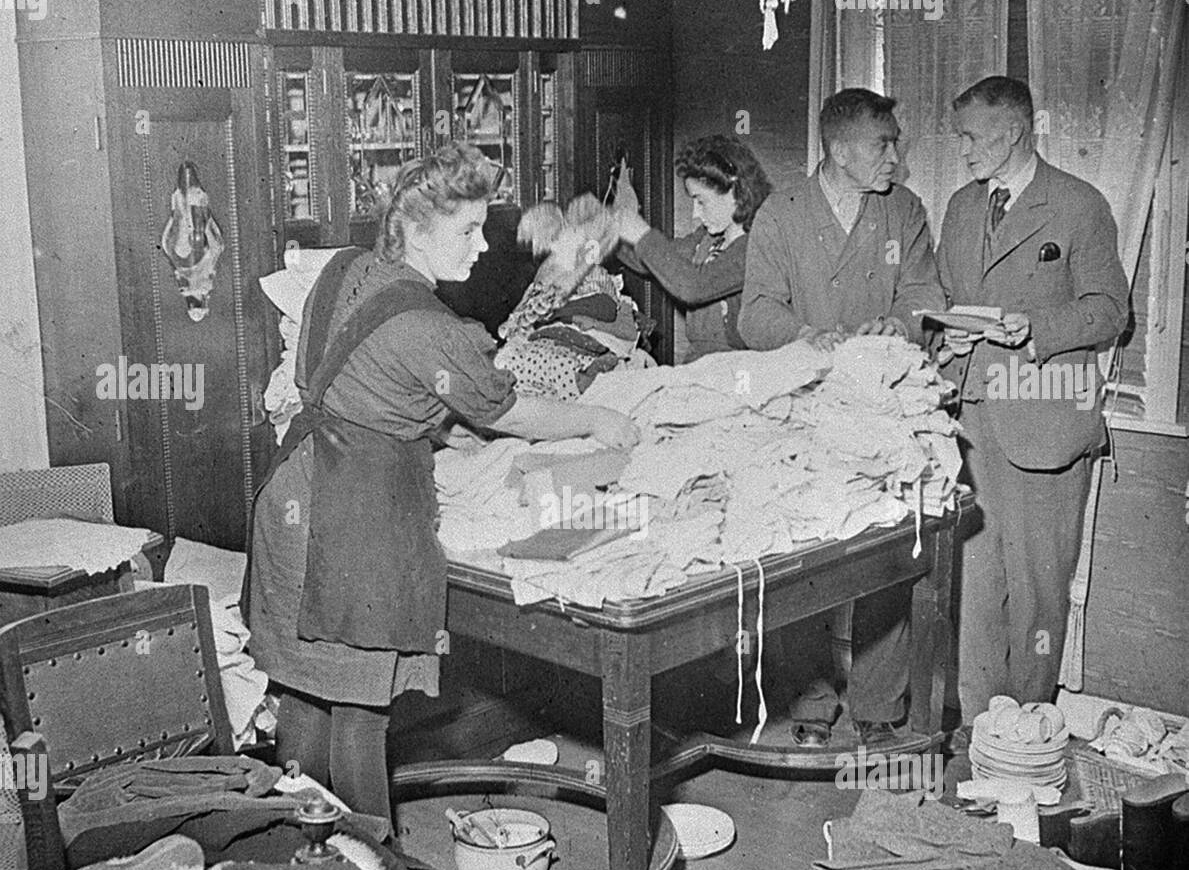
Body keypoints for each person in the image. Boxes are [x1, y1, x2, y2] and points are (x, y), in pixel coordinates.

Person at [244, 143, 638, 826]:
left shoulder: (342, 269)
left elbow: (355, 385)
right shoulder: (429, 327)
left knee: (305, 691)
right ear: (414, 230)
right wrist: (597, 417)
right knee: (363, 710)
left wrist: (428, 426)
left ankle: (299, 855)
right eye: (466, 230)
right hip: (353, 512)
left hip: (290, 493)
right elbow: (505, 409)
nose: (482, 246)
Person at [738, 88, 946, 748]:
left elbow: (925, 296)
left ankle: (879, 711)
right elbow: (754, 312)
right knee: (801, 561)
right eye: (882, 145)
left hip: (881, 413)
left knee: (884, 558)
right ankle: (808, 705)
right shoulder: (782, 212)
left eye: (895, 143)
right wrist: (801, 335)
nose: (894, 157)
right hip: (801, 412)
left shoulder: (903, 211)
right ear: (837, 150)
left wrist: (904, 322)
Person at [935, 76, 1127, 721]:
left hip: (1042, 415)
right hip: (969, 419)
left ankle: (1025, 727)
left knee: (1040, 586)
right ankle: (979, 723)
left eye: (970, 136)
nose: (961, 151)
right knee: (975, 583)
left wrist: (1037, 329)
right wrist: (948, 341)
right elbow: (943, 299)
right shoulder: (963, 207)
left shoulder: (1078, 204)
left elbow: (1109, 310)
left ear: (1013, 131)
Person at [612, 134, 773, 361]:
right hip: (700, 361)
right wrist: (609, 238)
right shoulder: (707, 237)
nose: (695, 214)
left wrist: (641, 233)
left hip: (739, 367)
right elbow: (655, 262)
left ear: (735, 191)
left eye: (701, 201)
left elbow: (694, 286)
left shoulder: (755, 246)